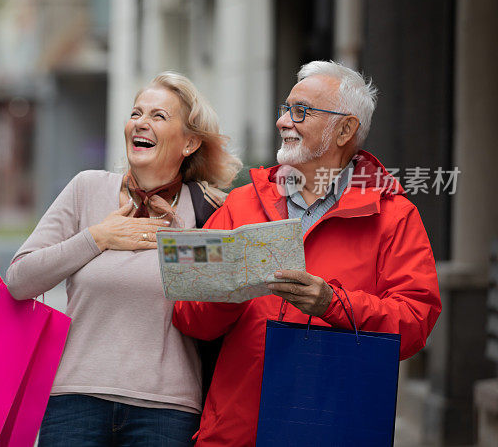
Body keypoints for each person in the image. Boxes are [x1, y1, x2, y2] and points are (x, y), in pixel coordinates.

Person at [172, 61, 442, 446]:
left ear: (346, 129)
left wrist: (334, 304)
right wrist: (231, 292)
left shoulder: (394, 216)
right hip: (236, 431)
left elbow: (416, 323)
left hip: (334, 428)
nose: (284, 121)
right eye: (285, 109)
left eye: (301, 112)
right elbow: (188, 315)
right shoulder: (241, 204)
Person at [6, 72, 241, 446]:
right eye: (136, 113)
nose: (141, 123)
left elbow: (219, 310)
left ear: (190, 142)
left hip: (167, 412)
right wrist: (98, 238)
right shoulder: (87, 188)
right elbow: (18, 281)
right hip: (74, 402)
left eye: (159, 116)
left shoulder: (211, 211)